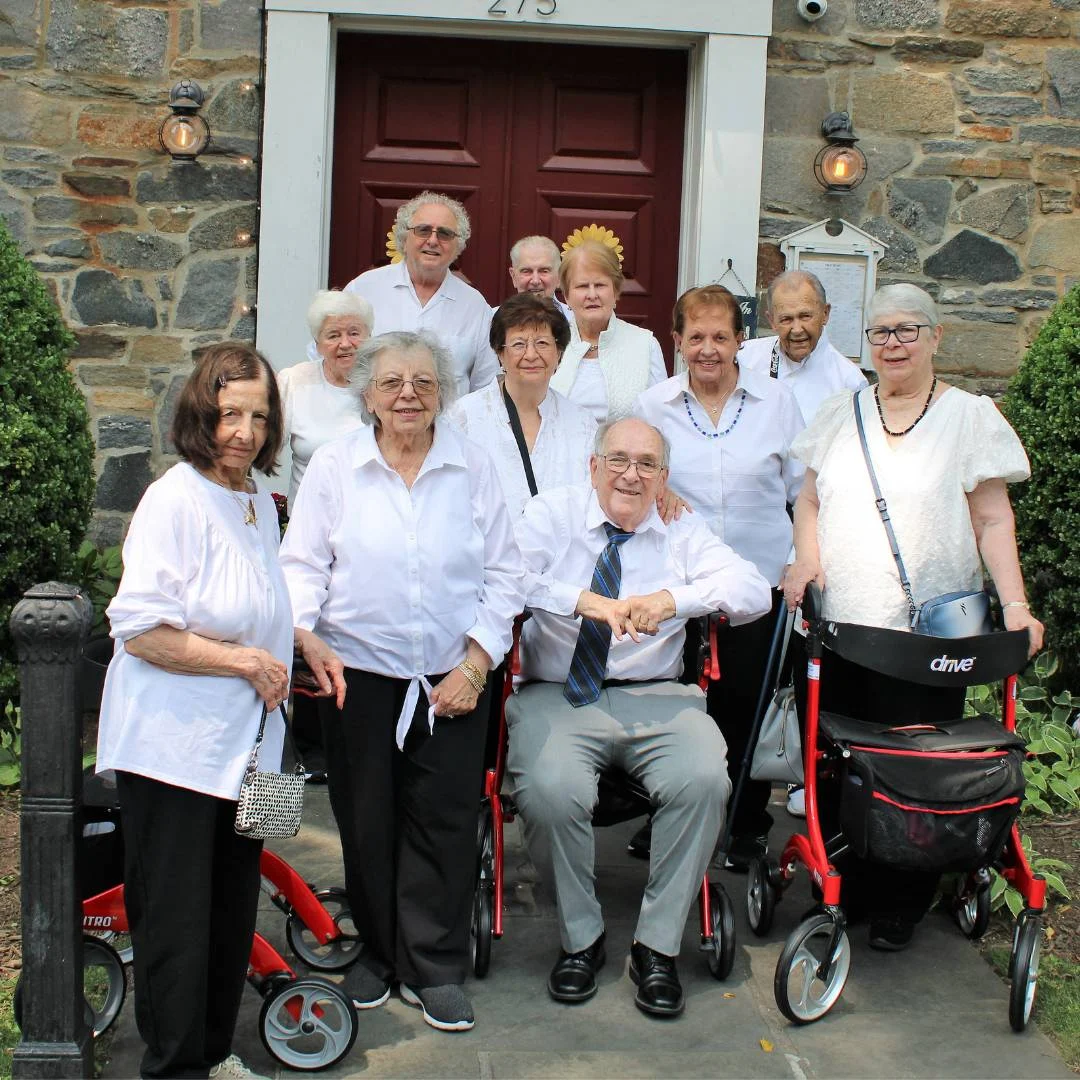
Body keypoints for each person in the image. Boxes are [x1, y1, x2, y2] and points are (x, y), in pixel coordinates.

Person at [95, 343, 345, 1080]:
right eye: (230, 413)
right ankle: (173, 1068)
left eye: (260, 417)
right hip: (177, 750)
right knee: (177, 918)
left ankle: (213, 1054)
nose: (245, 432)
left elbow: (257, 599)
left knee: (233, 908)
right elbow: (139, 628)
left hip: (255, 750)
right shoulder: (174, 499)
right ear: (200, 414)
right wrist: (245, 662)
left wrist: (299, 638)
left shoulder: (256, 500)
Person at [782, 282, 1044, 951]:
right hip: (844, 629)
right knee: (838, 761)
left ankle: (904, 901)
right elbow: (809, 501)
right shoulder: (841, 413)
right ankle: (846, 886)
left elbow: (992, 519)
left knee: (920, 768)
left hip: (931, 639)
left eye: (907, 330)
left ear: (936, 337)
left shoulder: (969, 417)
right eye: (880, 332)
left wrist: (1015, 605)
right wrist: (806, 561)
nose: (892, 344)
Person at [280, 330, 523, 1033]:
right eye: (392, 383)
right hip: (355, 675)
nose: (408, 395)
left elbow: (506, 573)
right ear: (368, 395)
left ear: (442, 392)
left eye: (423, 382)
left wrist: (476, 663)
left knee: (443, 820)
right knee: (366, 818)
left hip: (454, 678)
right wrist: (304, 634)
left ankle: (434, 965)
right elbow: (302, 565)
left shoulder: (472, 464)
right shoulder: (335, 465)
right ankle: (380, 954)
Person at [507, 418, 771, 1018]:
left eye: (647, 464)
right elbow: (506, 576)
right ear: (593, 466)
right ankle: (581, 938)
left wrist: (672, 600)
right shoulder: (550, 515)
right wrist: (581, 601)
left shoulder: (680, 528)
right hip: (559, 693)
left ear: (663, 477)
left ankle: (657, 946)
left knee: (704, 779)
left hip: (658, 696)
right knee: (548, 789)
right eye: (618, 460)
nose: (631, 474)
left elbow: (753, 589)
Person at [634, 284, 804, 869]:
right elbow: (630, 478)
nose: (708, 349)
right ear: (677, 341)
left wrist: (801, 559)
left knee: (747, 705)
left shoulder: (777, 402)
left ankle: (745, 822)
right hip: (679, 584)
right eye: (696, 337)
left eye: (721, 337)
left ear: (740, 342)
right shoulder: (653, 405)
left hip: (759, 581)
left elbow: (804, 490)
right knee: (678, 707)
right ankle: (667, 817)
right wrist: (657, 486)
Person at [449, 292, 595, 519]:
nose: (531, 355)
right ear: (500, 353)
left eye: (542, 343)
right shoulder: (464, 417)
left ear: (559, 353)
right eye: (518, 344)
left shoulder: (582, 424)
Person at [344, 191, 498, 397]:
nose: (433, 241)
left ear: (457, 245)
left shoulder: (474, 306)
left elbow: (486, 386)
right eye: (423, 230)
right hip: (373, 417)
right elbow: (329, 361)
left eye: (444, 233)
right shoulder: (363, 290)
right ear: (404, 237)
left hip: (449, 418)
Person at [548, 239, 667, 423]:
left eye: (600, 285)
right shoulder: (549, 342)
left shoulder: (645, 345)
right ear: (567, 296)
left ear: (616, 292)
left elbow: (660, 418)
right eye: (582, 286)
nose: (592, 295)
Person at [278, 289, 374, 506]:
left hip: (368, 515)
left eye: (354, 333)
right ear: (317, 344)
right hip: (307, 516)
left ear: (369, 337)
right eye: (333, 335)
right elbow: (263, 446)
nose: (345, 343)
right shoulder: (294, 381)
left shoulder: (385, 384)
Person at [740, 269, 867, 426]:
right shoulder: (745, 359)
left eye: (805, 316)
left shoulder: (850, 382)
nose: (797, 329)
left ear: (825, 314)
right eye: (786, 319)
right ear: (771, 320)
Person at [505, 235, 573, 322]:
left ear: (559, 276)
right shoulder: (493, 320)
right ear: (514, 276)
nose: (535, 281)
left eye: (544, 271)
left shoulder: (576, 320)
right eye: (526, 271)